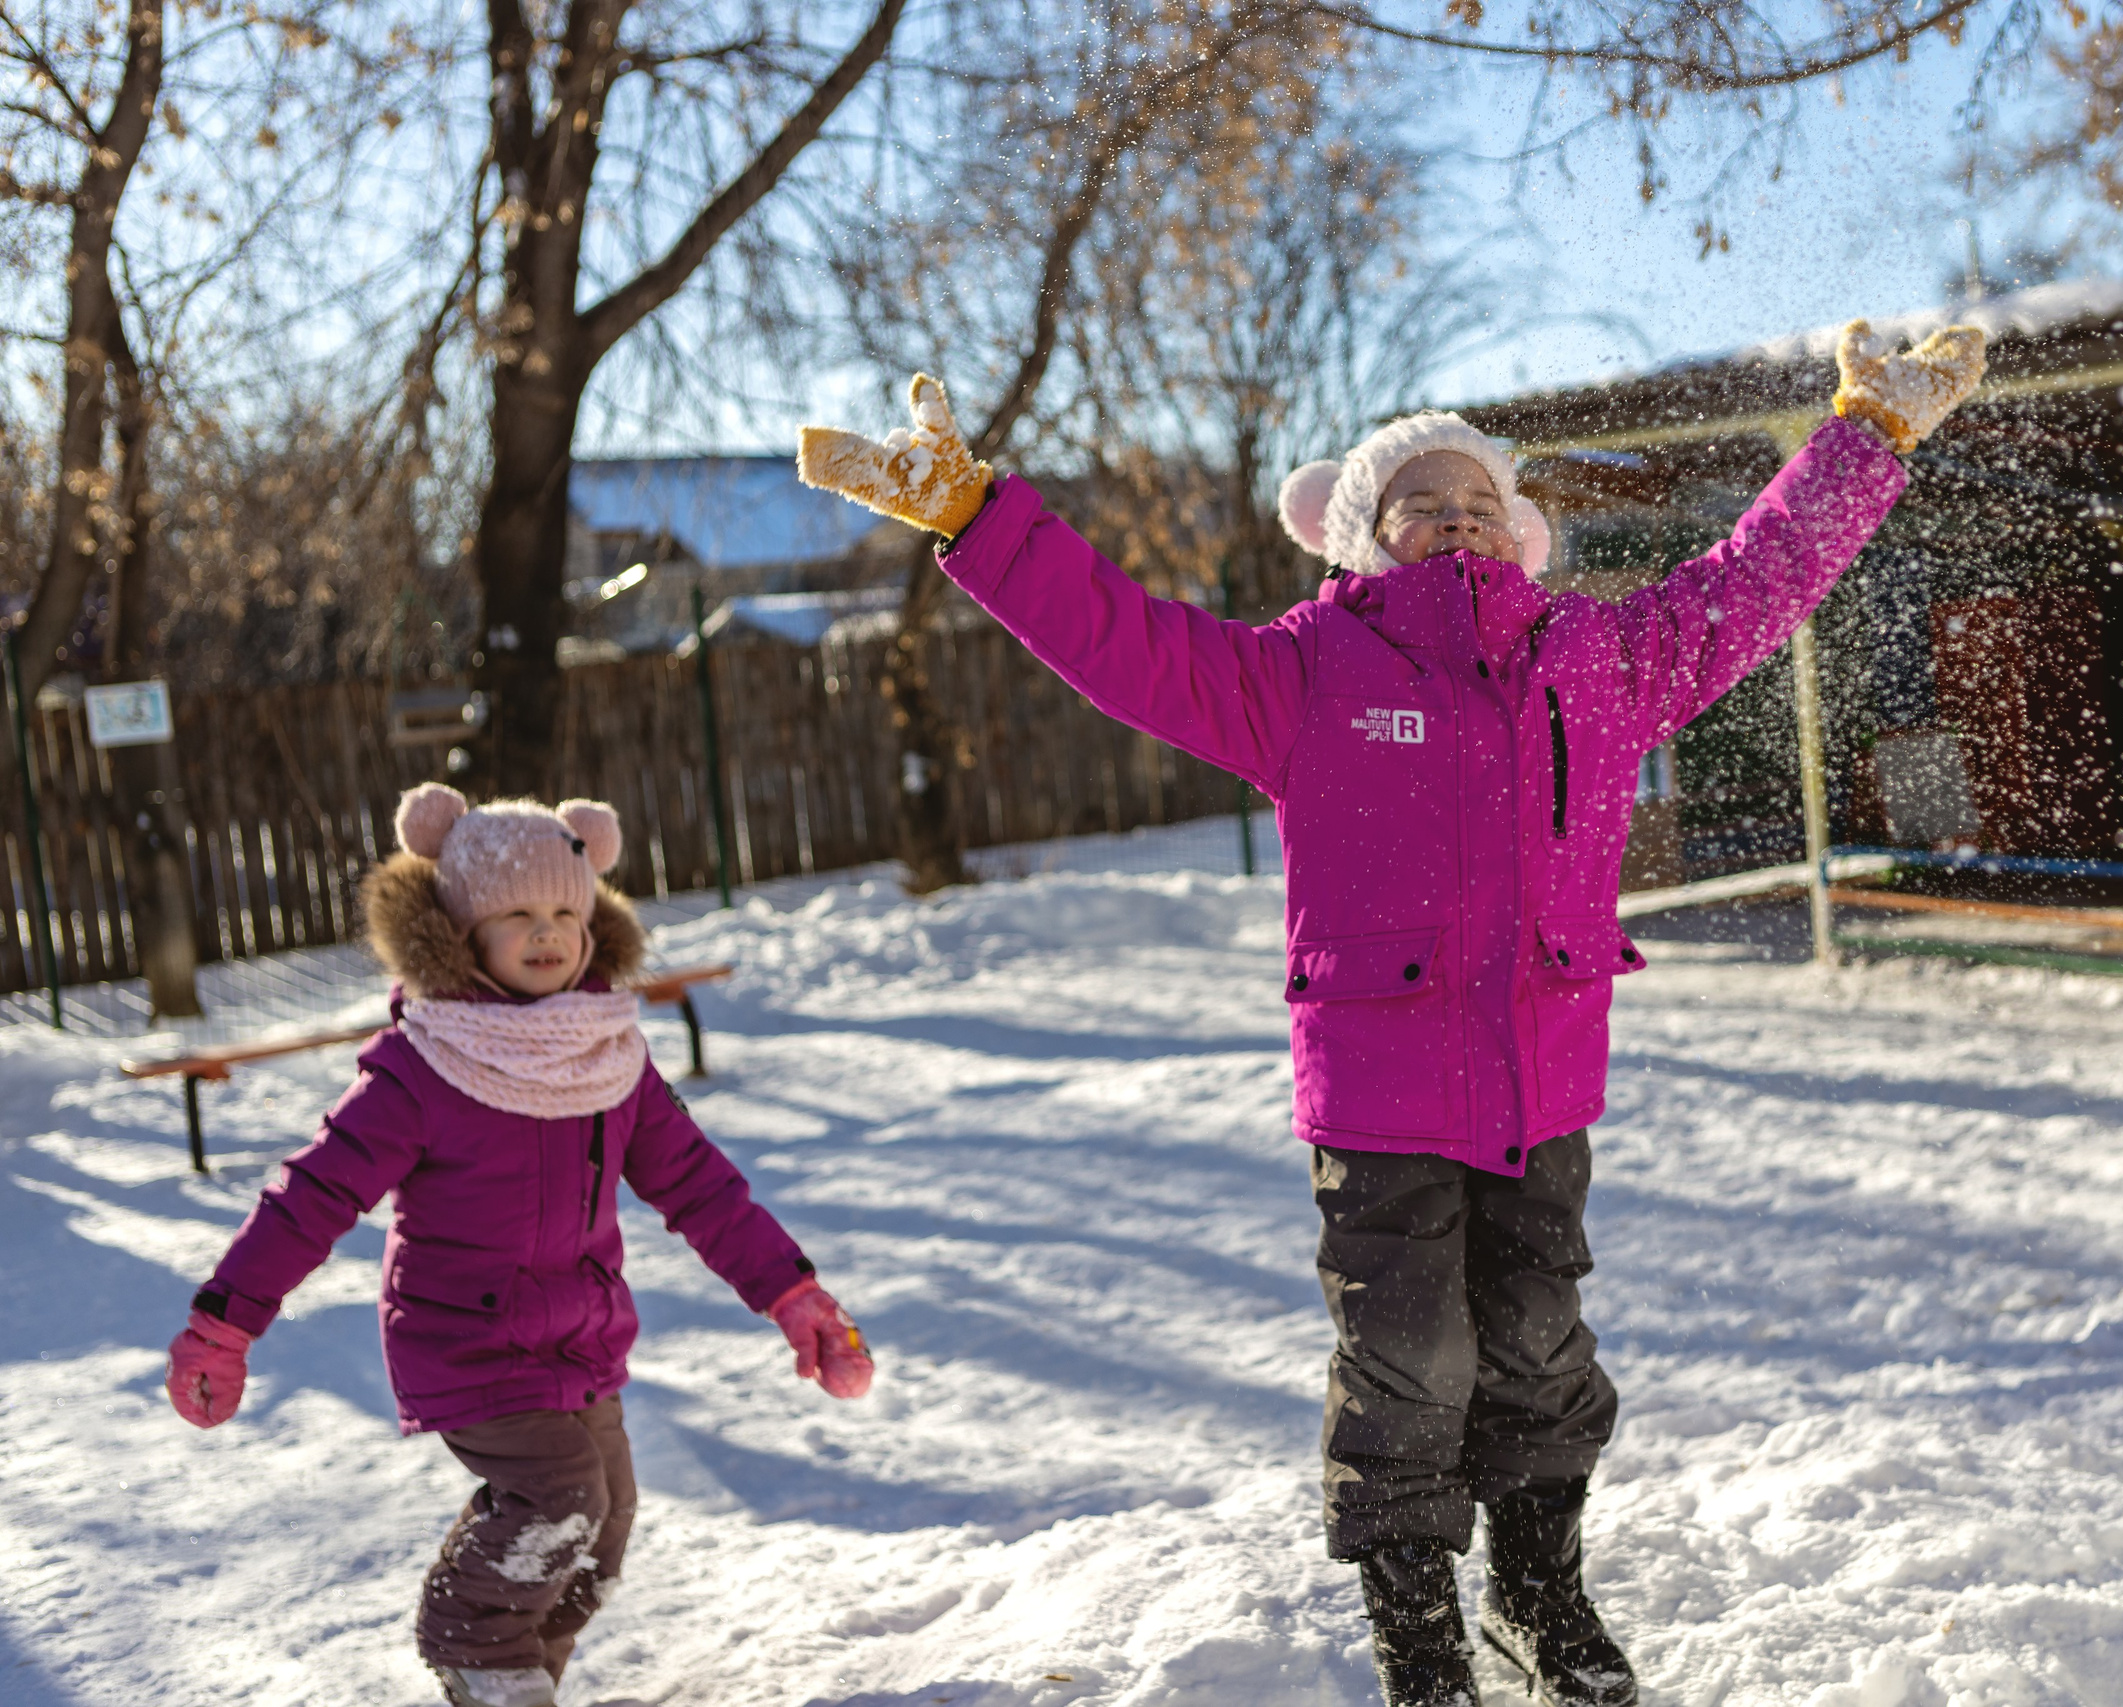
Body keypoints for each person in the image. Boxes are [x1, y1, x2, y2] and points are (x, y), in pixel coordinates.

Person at [797, 318, 1985, 1707]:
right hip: (1379, 1092)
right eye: (1422, 500)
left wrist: (1868, 436)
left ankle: (1539, 1595)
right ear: (1361, 536)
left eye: (1482, 498)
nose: (1457, 517)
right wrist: (977, 515)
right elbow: (1119, 639)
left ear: (1524, 531)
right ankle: (1419, 1631)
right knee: (1408, 1356)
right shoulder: (1301, 672)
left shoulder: (1598, 660)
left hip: (1544, 1083)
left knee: (1540, 1344)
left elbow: (1752, 580)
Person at [162, 785, 875, 1707]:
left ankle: (518, 1673)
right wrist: (226, 1320)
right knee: (562, 1495)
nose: (547, 934)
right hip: (466, 1340)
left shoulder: (608, 1056)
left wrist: (794, 1294)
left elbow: (701, 1185)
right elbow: (315, 1194)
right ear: (460, 932)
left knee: (606, 1522)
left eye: (563, 914)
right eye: (515, 915)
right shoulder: (423, 1066)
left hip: (581, 1337)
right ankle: (476, 1647)